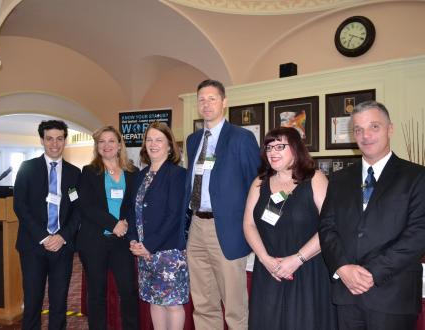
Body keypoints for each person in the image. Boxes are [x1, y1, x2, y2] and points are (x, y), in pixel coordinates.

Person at [319, 101, 425, 330]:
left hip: (393, 295)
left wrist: (372, 273)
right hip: (346, 293)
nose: (366, 135)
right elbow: (327, 228)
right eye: (358, 129)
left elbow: (419, 234)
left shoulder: (417, 177)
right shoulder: (339, 179)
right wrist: (342, 268)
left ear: (390, 129)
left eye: (374, 127)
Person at [183, 79, 260, 329]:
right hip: (196, 227)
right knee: (203, 303)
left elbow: (255, 184)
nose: (206, 104)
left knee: (235, 307)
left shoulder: (241, 138)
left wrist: (249, 227)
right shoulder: (193, 140)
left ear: (224, 103)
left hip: (226, 229)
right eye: (202, 100)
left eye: (212, 99)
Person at [243, 127, 338, 329]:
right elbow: (249, 224)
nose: (272, 152)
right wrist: (265, 259)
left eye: (280, 146)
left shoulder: (315, 179)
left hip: (307, 269)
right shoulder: (260, 182)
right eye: (269, 147)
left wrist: (297, 259)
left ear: (295, 148)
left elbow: (329, 227)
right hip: (270, 270)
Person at [14, 120, 81, 330]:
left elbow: (77, 209)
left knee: (59, 302)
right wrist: (44, 236)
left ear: (65, 141)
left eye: (59, 139)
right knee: (33, 301)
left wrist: (61, 236)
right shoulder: (27, 168)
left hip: (63, 247)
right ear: (42, 140)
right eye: (50, 138)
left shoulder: (74, 173)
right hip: (33, 246)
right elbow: (20, 206)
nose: (54, 144)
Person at [77, 126, 139, 330]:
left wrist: (125, 224)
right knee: (96, 293)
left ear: (120, 145)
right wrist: (113, 224)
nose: (106, 146)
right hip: (94, 241)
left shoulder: (132, 172)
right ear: (97, 146)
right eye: (101, 142)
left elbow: (134, 204)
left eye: (111, 141)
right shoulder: (89, 172)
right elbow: (86, 205)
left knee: (128, 290)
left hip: (122, 241)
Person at [128, 122, 188, 330]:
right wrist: (134, 241)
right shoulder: (139, 175)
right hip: (144, 252)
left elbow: (174, 216)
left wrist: (149, 245)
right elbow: (131, 211)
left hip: (168, 252)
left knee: (172, 304)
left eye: (159, 140)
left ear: (170, 146)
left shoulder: (177, 174)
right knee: (154, 301)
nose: (153, 144)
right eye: (149, 139)